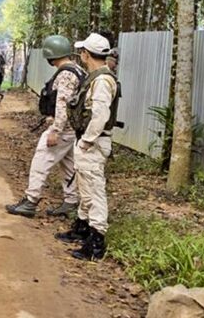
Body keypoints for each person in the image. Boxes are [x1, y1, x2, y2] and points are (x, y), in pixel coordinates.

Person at [54, 33, 119, 261]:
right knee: (85, 187)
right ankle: (81, 228)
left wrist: (87, 141)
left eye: (82, 51)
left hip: (93, 142)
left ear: (86, 54)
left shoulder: (102, 81)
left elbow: (100, 115)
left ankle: (96, 242)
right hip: (88, 141)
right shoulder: (96, 77)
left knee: (94, 190)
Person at [6, 35, 84, 218]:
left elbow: (63, 103)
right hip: (73, 128)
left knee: (41, 161)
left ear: (51, 55)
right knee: (69, 165)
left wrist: (56, 130)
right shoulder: (78, 70)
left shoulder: (65, 74)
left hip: (64, 129)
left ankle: (30, 201)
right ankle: (71, 202)